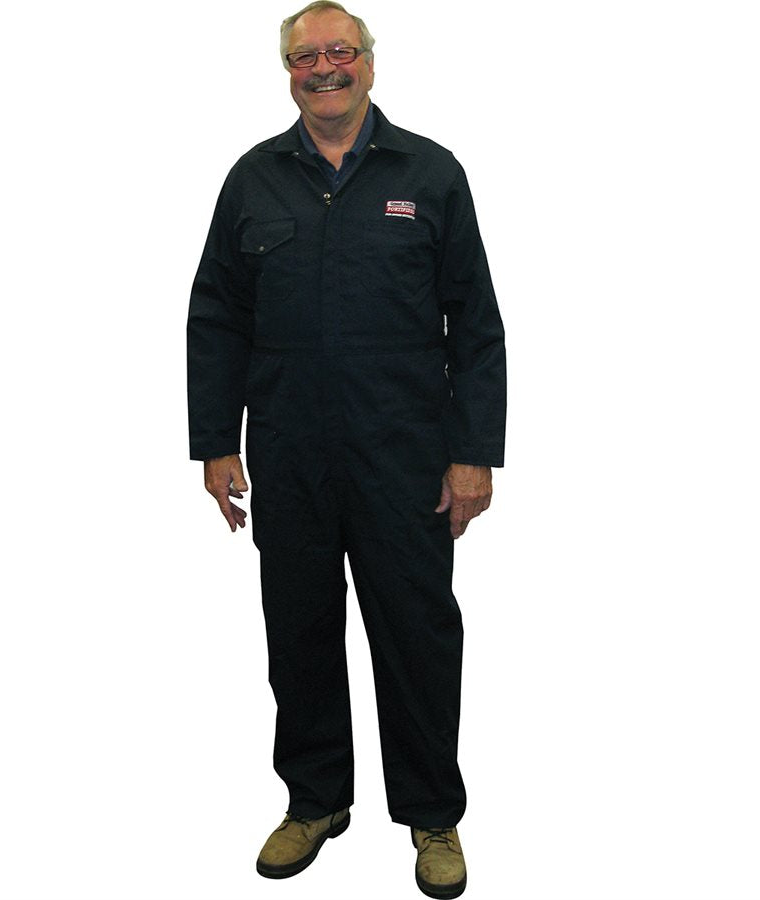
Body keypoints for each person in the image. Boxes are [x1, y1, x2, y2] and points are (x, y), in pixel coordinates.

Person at [187, 2, 506, 896]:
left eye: (340, 51)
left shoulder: (430, 173)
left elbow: (476, 324)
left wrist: (474, 452)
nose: (324, 67)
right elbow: (216, 316)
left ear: (369, 62)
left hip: (405, 456)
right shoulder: (253, 179)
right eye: (305, 56)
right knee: (298, 633)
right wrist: (214, 442)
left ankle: (433, 815)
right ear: (288, 72)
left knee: (416, 635)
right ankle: (315, 800)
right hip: (288, 452)